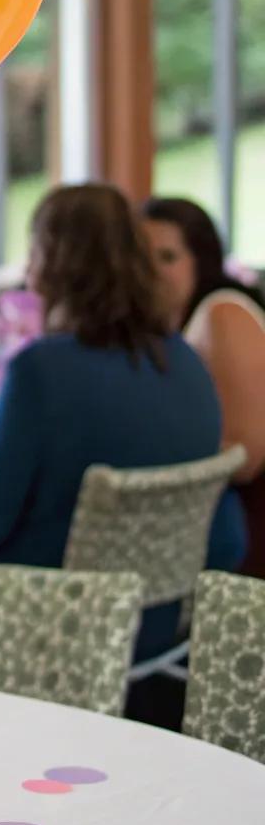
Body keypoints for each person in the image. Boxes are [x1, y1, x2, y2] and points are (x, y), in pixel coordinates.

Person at [0, 184, 245, 665]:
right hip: (167, 621)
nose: (28, 273)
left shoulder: (40, 371)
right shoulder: (185, 360)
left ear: (54, 266)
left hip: (59, 629)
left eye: (36, 254)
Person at [142, 197, 265, 577]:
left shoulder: (222, 313)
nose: (150, 271)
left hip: (250, 534)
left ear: (202, 260)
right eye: (139, 258)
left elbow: (248, 460)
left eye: (167, 257)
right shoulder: (169, 327)